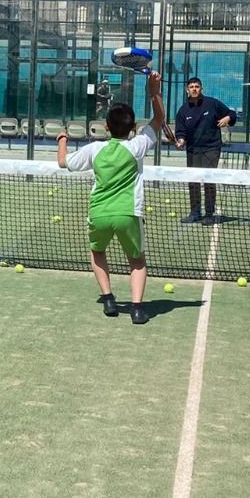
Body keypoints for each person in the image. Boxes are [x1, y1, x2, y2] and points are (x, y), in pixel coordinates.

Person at [58, 68, 171, 325]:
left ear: (106, 126)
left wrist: (62, 138)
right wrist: (154, 93)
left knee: (97, 252)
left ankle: (108, 298)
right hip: (128, 213)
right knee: (137, 261)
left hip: (99, 213)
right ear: (133, 128)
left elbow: (63, 162)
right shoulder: (137, 146)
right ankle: (137, 309)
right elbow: (160, 118)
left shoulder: (95, 149)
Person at [171, 77, 238, 224]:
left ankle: (209, 213)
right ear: (187, 90)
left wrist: (227, 118)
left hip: (212, 148)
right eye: (191, 87)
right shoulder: (183, 110)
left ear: (201, 88)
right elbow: (181, 132)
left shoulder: (212, 104)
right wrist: (181, 141)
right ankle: (195, 212)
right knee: (193, 180)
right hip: (193, 149)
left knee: (208, 179)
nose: (194, 89)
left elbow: (232, 114)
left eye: (197, 86)